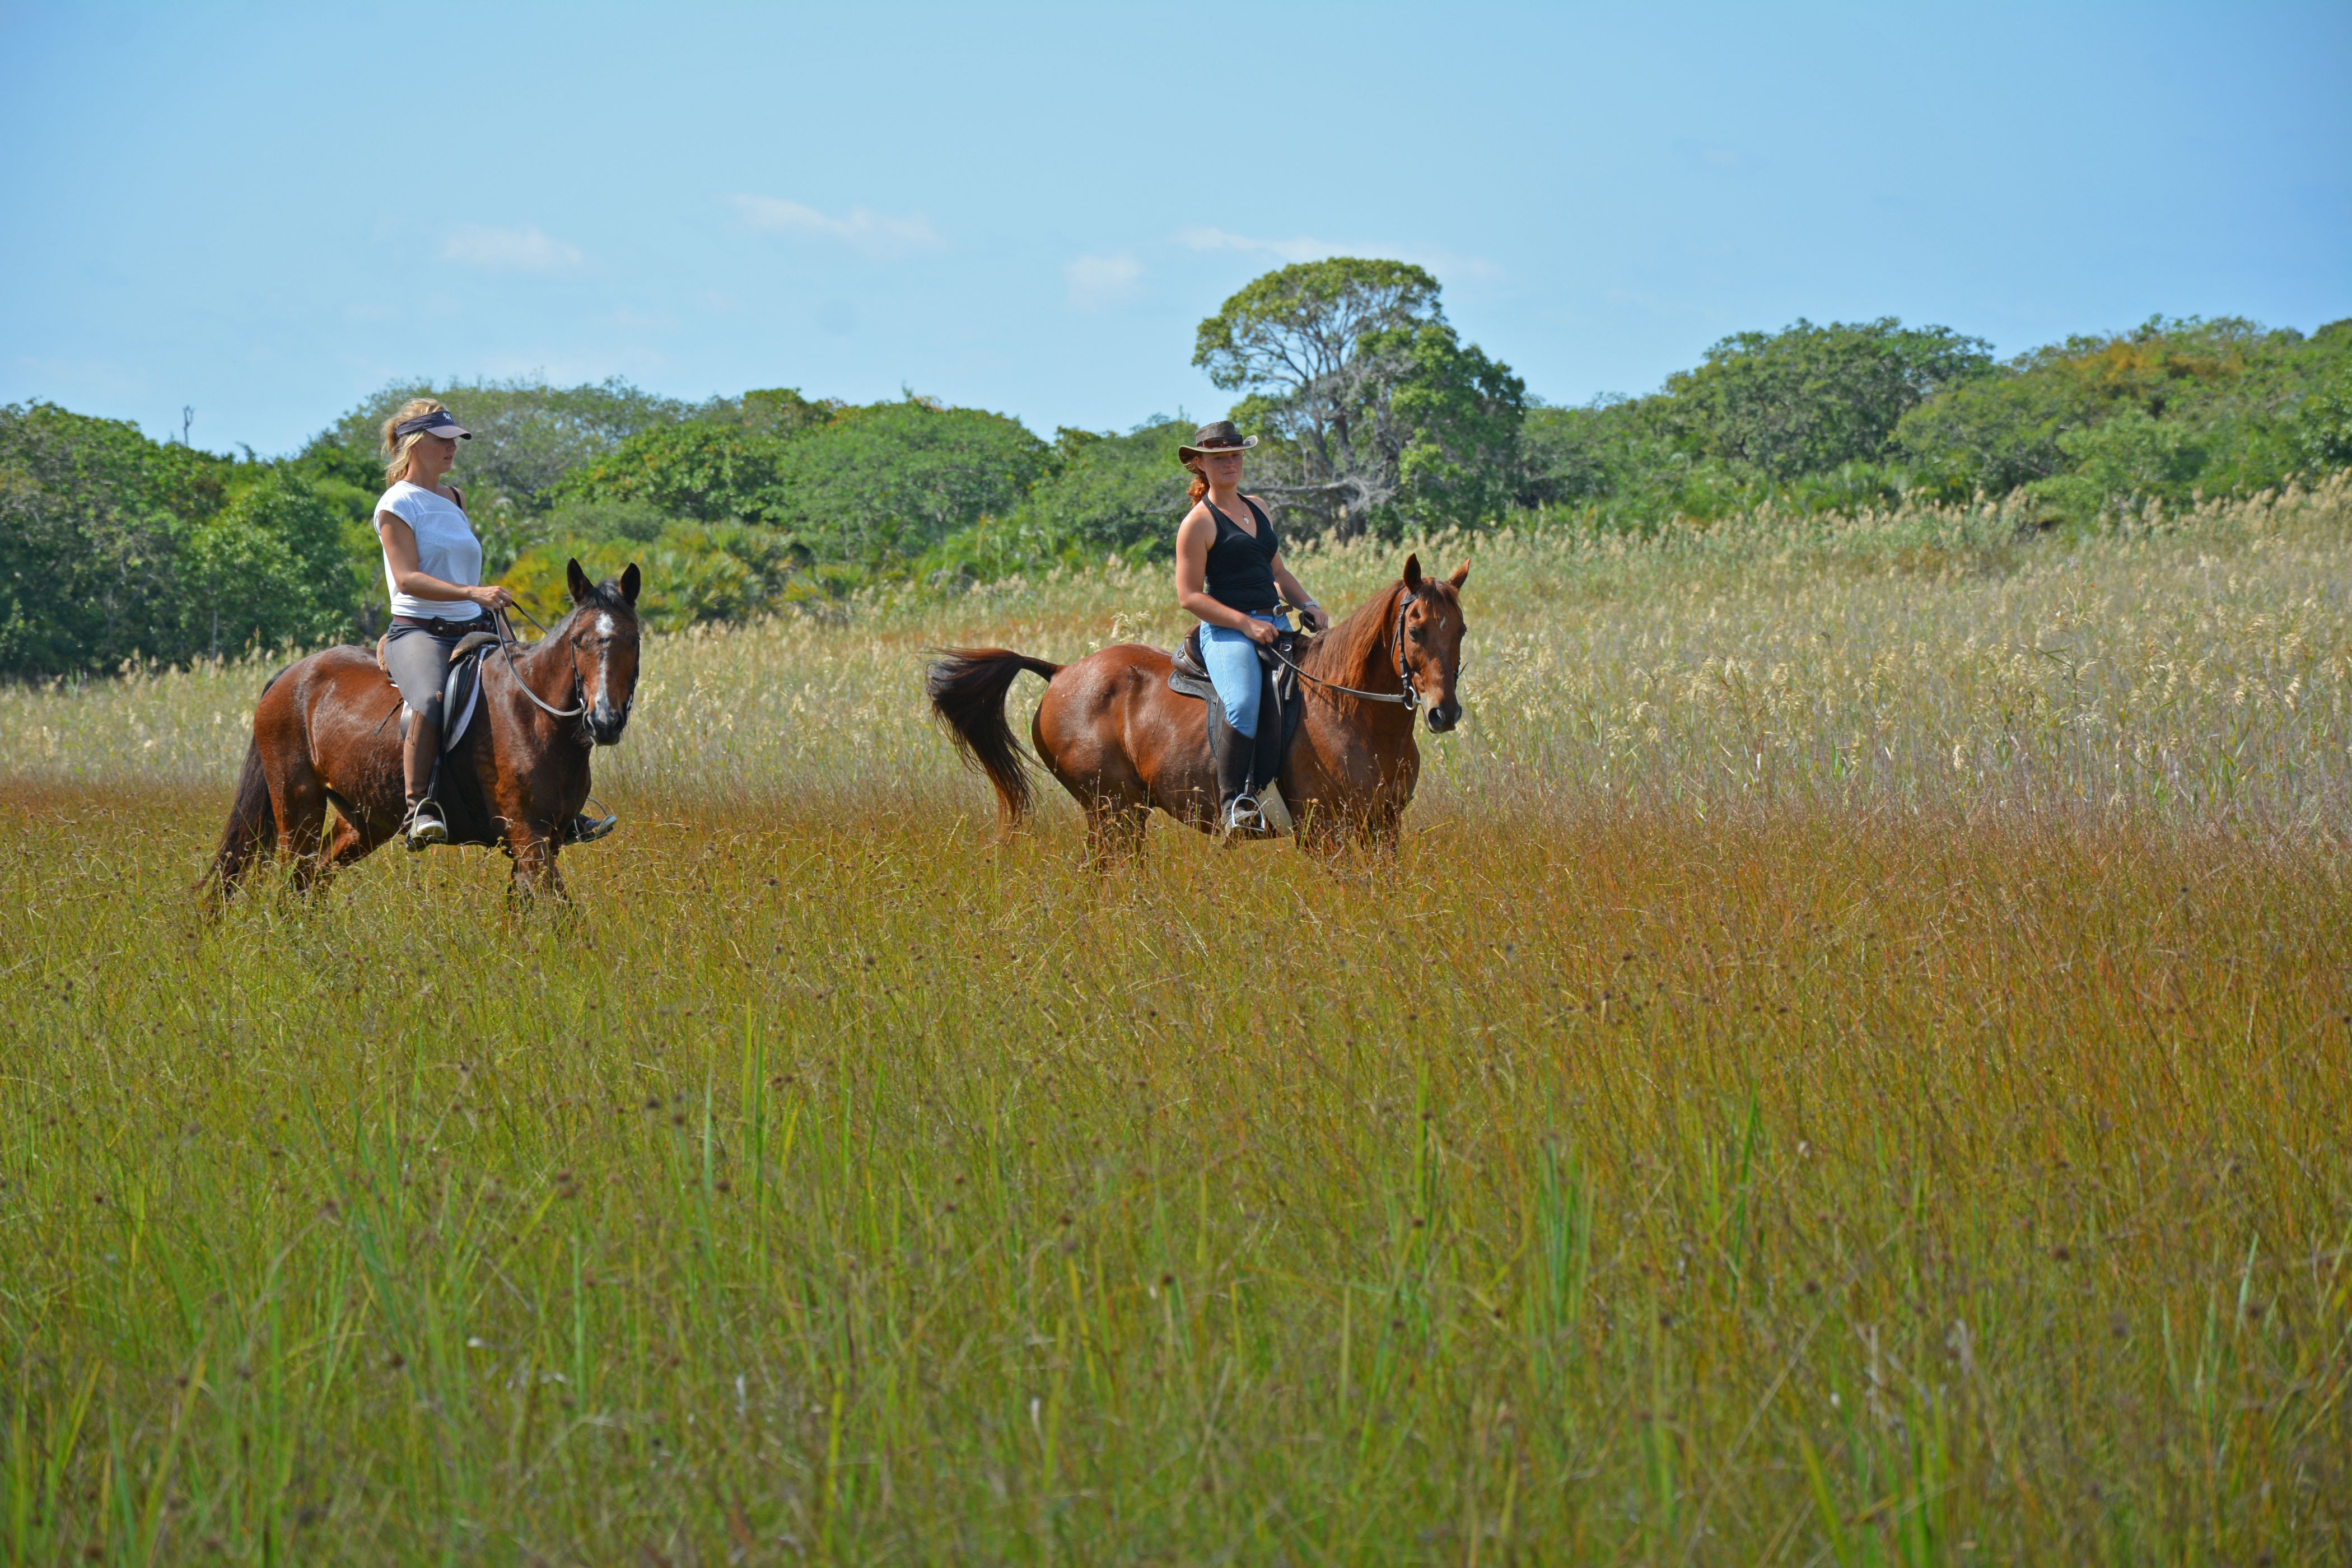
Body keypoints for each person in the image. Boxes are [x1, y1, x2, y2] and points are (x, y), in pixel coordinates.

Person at [372, 399, 615, 849]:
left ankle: (564, 808)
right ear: (416, 443)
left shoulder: (455, 497)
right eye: (443, 441)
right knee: (429, 699)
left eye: (455, 441)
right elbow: (407, 578)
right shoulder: (396, 503)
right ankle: (419, 806)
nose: (453, 449)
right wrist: (473, 592)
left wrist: (480, 599)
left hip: (473, 625)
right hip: (420, 631)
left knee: (530, 689)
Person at [1172, 420, 1332, 834]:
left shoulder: (1258, 506)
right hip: (1227, 631)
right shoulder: (1198, 524)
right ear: (1201, 465)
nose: (1230, 463)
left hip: (1276, 623)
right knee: (1243, 702)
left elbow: (1277, 570)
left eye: (1236, 455)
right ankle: (1235, 806)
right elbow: (1190, 596)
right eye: (1220, 458)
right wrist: (1245, 624)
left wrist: (1308, 604)